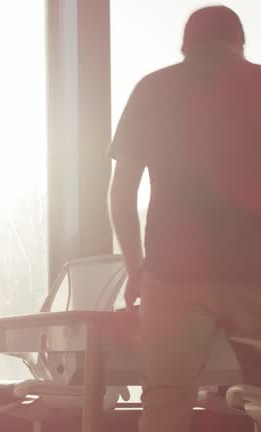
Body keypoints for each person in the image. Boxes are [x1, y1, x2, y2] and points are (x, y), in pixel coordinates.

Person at [108, 6, 261, 432]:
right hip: (255, 274)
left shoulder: (152, 89)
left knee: (166, 400)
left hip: (174, 275)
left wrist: (135, 267)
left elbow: (122, 191)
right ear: (240, 44)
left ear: (185, 45)